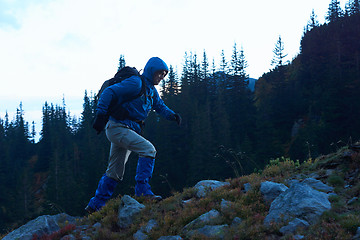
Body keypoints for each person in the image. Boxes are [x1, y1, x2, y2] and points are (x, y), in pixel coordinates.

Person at [85, 57, 181, 214]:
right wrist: (100, 114)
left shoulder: (151, 91)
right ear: (151, 70)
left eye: (164, 74)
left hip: (126, 130)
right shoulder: (136, 83)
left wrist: (173, 116)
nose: (162, 76)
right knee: (149, 150)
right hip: (118, 127)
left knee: (114, 172)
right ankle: (142, 191)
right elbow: (109, 91)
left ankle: (95, 205)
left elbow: (160, 106)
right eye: (159, 73)